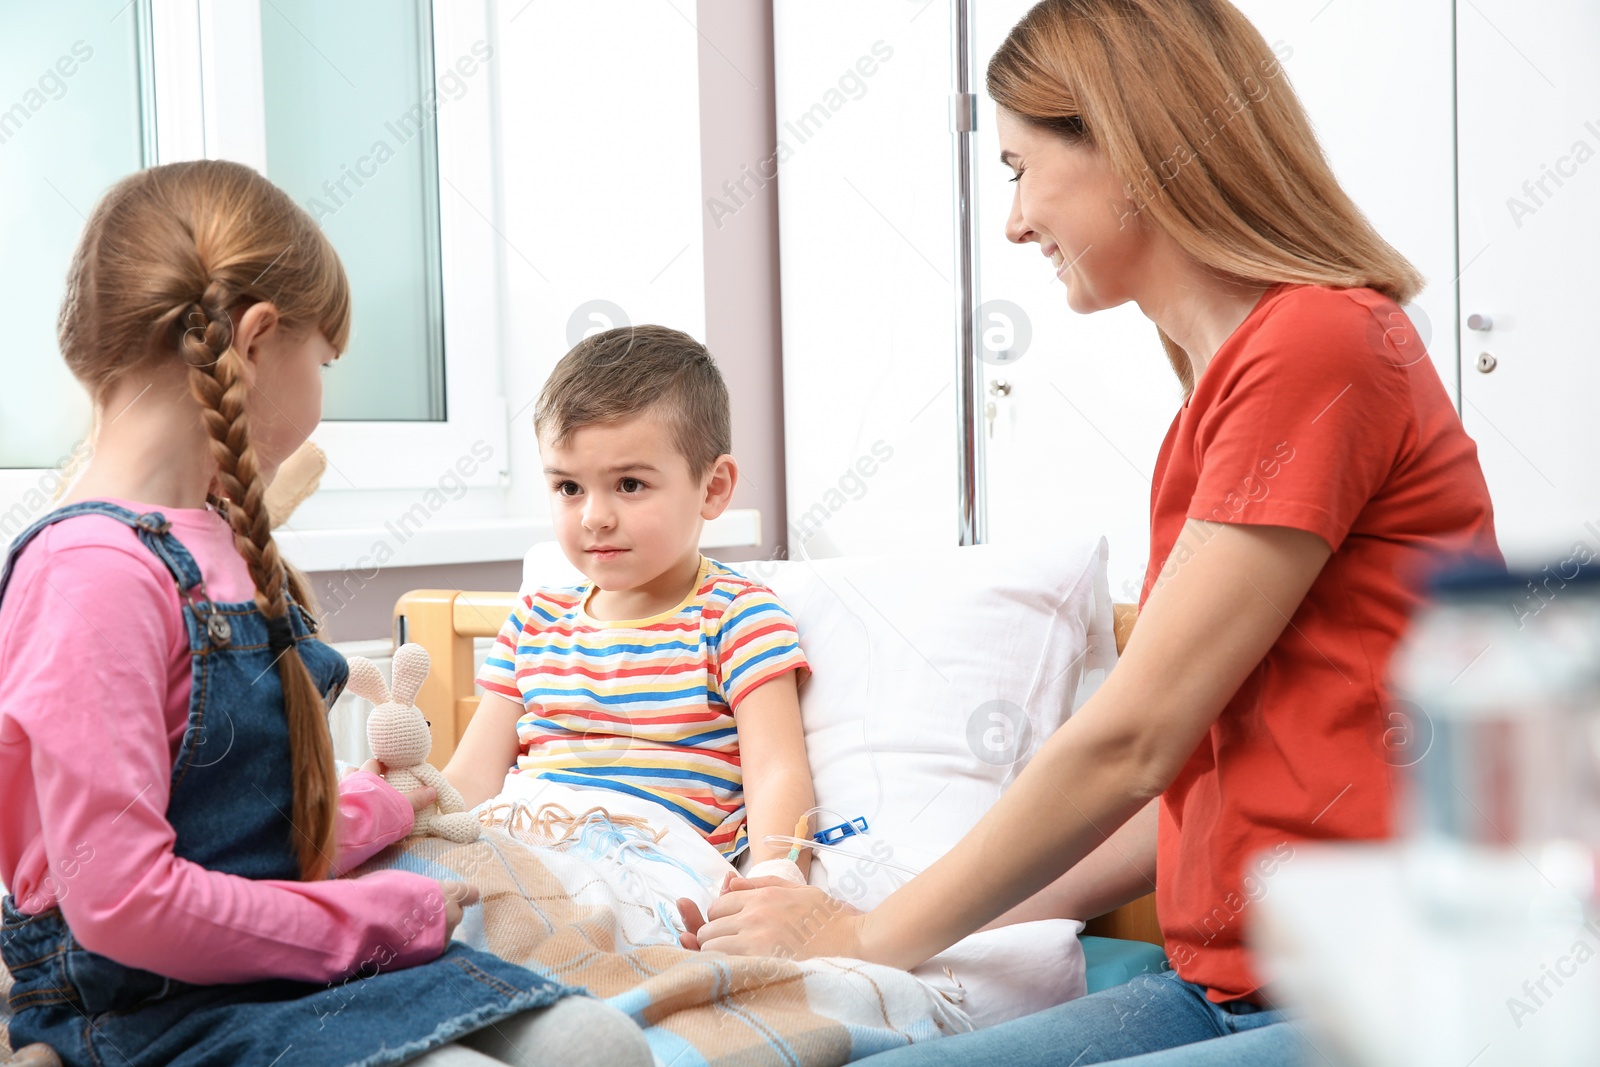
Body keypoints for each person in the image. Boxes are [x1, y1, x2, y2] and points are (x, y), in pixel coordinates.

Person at [672, 0, 1502, 1063]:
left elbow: (1130, 738)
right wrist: (905, 941)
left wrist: (873, 931)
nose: (1014, 221)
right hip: (1226, 982)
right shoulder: (1227, 391)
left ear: (1129, 148)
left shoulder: (1321, 343)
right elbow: (1192, 780)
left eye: (1019, 167)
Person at [0, 160, 651, 1067]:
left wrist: (373, 807)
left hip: (271, 965)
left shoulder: (222, 545)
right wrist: (372, 918)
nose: (325, 389)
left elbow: (234, 827)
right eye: (325, 359)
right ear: (260, 338)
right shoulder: (88, 576)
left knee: (601, 1043)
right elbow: (120, 904)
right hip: (149, 1004)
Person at [443, 326, 816, 897]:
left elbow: (777, 772)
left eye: (630, 484)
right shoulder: (534, 621)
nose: (595, 516)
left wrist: (776, 884)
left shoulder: (736, 617)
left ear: (713, 489)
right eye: (569, 487)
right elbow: (470, 778)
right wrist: (413, 823)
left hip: (648, 873)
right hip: (521, 849)